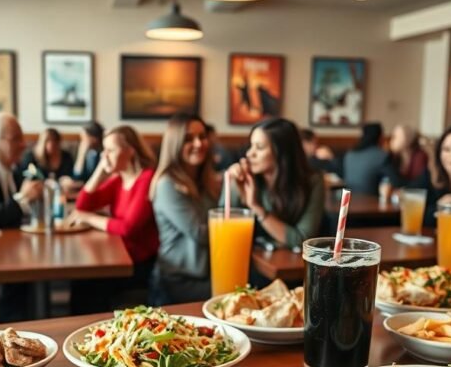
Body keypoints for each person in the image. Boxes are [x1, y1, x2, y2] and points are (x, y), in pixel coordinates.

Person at [66, 125, 159, 312]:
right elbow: (82, 205)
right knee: (80, 283)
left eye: (110, 150)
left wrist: (89, 219)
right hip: (120, 256)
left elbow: (128, 228)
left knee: (87, 288)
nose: (104, 155)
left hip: (139, 264)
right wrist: (101, 170)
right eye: (103, 150)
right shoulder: (119, 178)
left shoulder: (146, 178)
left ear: (130, 151)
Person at [150, 114, 220, 304]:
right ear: (175, 144)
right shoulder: (167, 184)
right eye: (189, 139)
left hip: (205, 274)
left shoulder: (206, 181)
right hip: (178, 281)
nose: (199, 143)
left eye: (202, 136)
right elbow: (201, 233)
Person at [226, 118, 325, 250]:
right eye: (251, 145)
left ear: (282, 152)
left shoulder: (313, 181)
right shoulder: (245, 178)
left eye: (259, 148)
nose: (250, 153)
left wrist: (256, 207)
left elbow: (303, 239)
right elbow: (225, 229)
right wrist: (233, 185)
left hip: (290, 266)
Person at [342, 122, 389, 196]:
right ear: (380, 137)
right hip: (372, 203)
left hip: (349, 202)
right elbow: (397, 182)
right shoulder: (381, 156)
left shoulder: (349, 154)